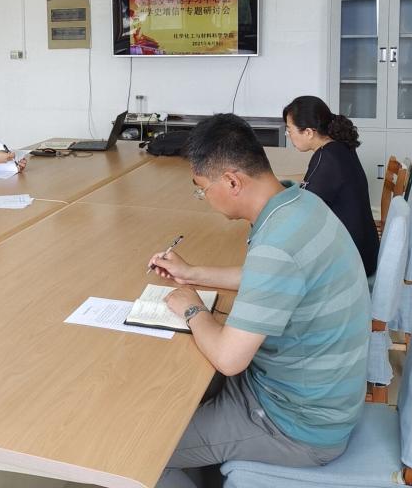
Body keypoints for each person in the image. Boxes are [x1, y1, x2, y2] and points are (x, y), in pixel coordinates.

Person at [148, 114, 370, 487]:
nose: (204, 199)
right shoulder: (300, 203)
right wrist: (192, 274)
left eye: (202, 189)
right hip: (309, 393)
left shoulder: (277, 247)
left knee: (145, 453)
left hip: (298, 425)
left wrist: (192, 308)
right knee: (181, 396)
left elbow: (229, 358)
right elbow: (272, 279)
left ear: (232, 181)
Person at [282, 95, 379, 277]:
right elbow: (312, 184)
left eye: (289, 130)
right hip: (366, 250)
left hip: (351, 262)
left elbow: (302, 213)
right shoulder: (339, 147)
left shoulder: (325, 158)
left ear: (308, 132)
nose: (289, 136)